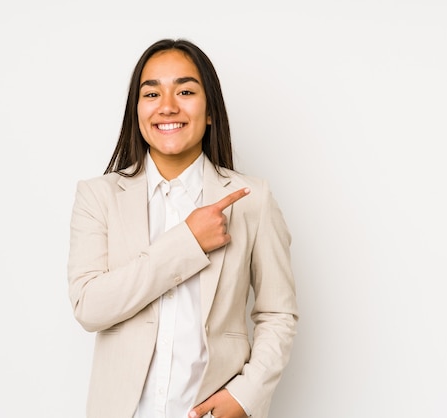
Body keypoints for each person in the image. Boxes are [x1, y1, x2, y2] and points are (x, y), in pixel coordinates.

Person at [67, 38, 298, 418]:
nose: (168, 106)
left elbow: (278, 313)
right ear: (137, 111)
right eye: (151, 93)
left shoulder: (252, 198)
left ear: (210, 111)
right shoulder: (98, 196)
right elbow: (89, 306)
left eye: (186, 91)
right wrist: (188, 241)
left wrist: (246, 395)